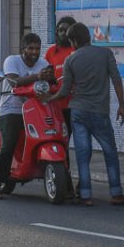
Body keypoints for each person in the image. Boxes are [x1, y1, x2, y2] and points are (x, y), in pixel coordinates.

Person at [44, 22, 124, 206]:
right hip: (100, 112)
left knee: (82, 155)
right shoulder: (105, 54)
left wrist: (49, 98)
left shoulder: (71, 59)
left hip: (78, 112)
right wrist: (122, 106)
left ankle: (85, 196)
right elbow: (117, 80)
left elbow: (65, 91)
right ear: (89, 37)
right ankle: (116, 194)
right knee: (110, 152)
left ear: (74, 41)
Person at [0, 32, 54, 200]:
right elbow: (14, 81)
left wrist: (53, 79)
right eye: (31, 48)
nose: (34, 52)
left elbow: (52, 81)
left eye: (37, 49)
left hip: (36, 108)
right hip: (12, 109)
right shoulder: (12, 61)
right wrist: (38, 76)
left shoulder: (43, 63)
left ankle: (65, 184)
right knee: (8, 144)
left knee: (52, 135)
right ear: (22, 49)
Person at [45, 16, 77, 198]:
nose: (62, 33)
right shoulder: (51, 52)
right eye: (59, 30)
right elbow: (47, 75)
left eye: (66, 29)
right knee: (61, 147)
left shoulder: (76, 51)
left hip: (75, 107)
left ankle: (82, 187)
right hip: (57, 109)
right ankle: (66, 185)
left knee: (79, 147)